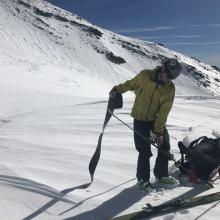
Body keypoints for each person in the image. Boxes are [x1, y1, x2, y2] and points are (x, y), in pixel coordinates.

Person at [109, 58, 182, 191]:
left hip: (155, 120)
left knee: (164, 145)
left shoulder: (170, 88)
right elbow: (130, 84)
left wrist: (158, 131)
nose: (169, 79)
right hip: (140, 119)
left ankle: (161, 175)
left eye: (172, 78)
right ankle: (142, 180)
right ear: (163, 69)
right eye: (168, 75)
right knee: (144, 150)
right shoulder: (145, 76)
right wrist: (117, 89)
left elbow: (164, 111)